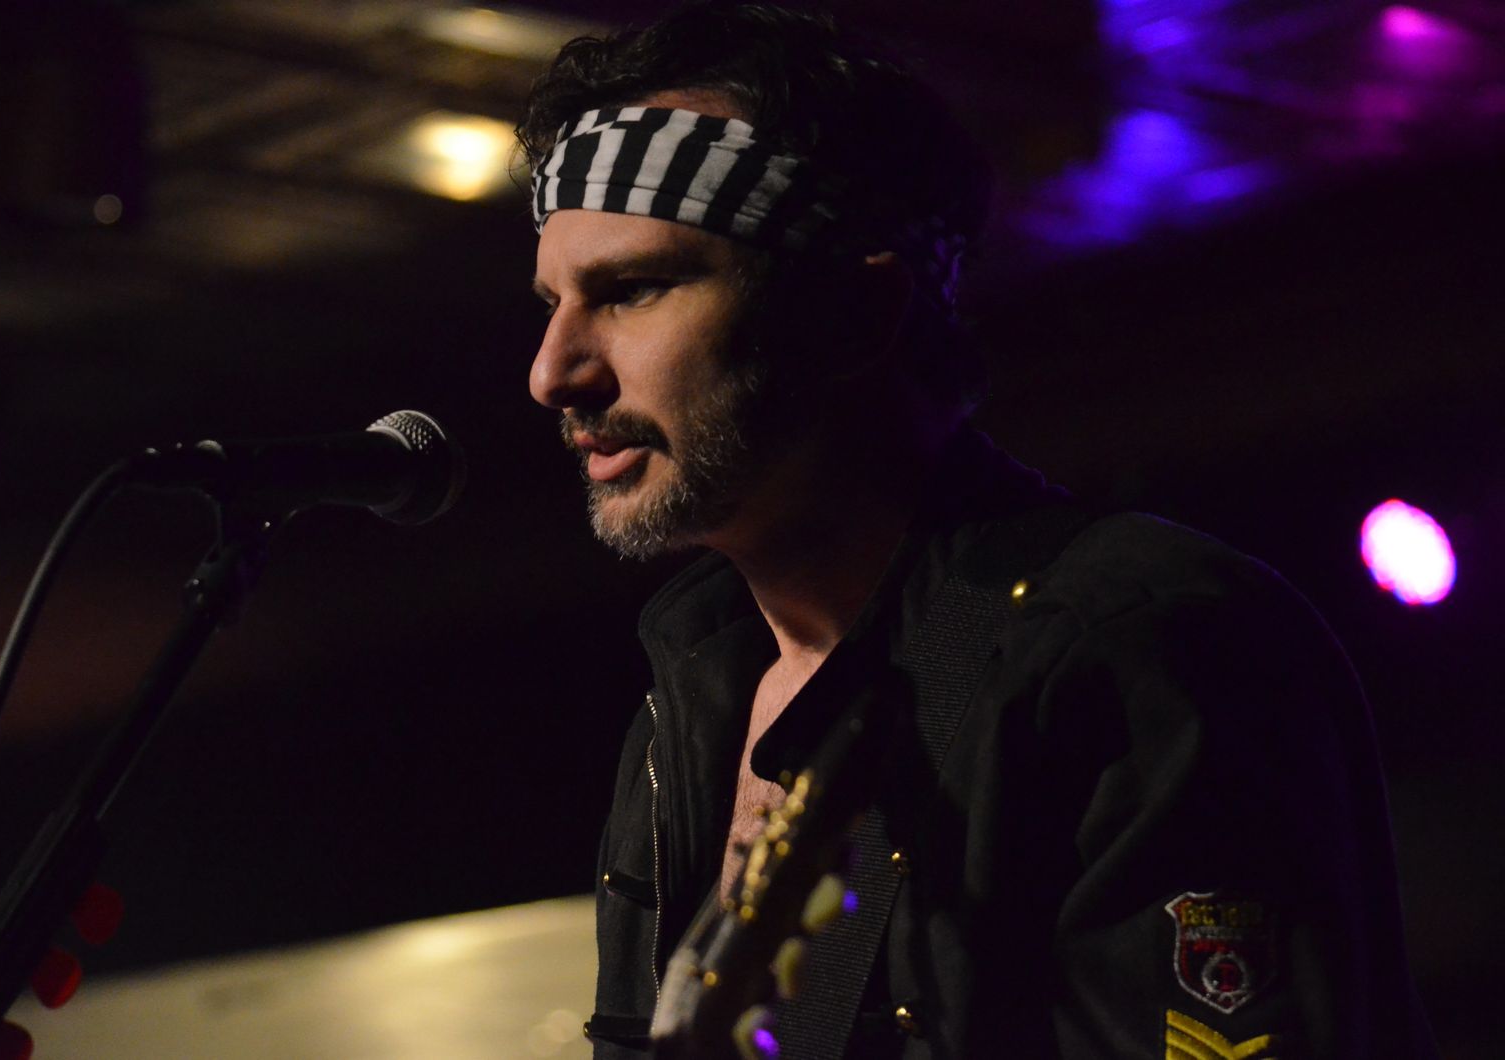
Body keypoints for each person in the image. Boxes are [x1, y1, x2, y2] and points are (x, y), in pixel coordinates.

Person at [517, 3, 1436, 1057]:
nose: (552, 372)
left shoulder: (1137, 643)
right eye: (551, 303)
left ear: (855, 314)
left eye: (632, 289)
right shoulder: (688, 696)